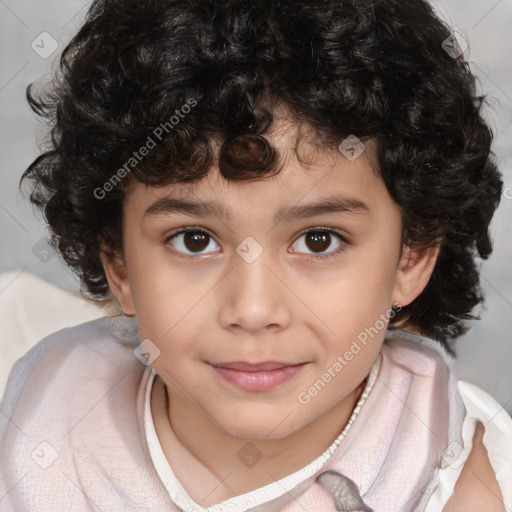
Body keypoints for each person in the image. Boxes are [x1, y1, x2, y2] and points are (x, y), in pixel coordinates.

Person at [1, 0, 511, 510]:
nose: (253, 310)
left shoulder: (457, 477)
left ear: (412, 256)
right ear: (118, 264)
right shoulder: (49, 414)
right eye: (194, 240)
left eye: (318, 240)